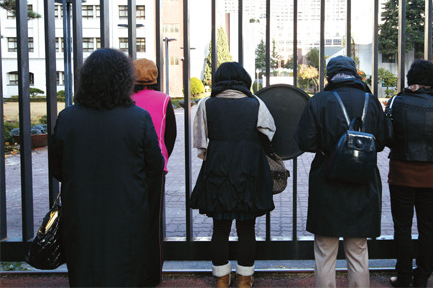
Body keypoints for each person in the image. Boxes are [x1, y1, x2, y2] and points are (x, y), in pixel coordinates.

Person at [49, 48, 164, 287]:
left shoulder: (67, 117)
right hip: (127, 211)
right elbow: (154, 166)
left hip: (80, 211)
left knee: (83, 273)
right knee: (126, 273)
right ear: (124, 80)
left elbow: (57, 168)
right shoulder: (139, 118)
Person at [295, 55, 388, 288]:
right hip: (363, 179)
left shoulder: (320, 100)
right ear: (355, 73)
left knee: (325, 249)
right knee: (358, 249)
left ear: (329, 76)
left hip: (327, 179)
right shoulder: (371, 100)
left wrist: (329, 146)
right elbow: (383, 140)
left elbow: (304, 141)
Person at [190, 62, 275, 288]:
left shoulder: (206, 104)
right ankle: (245, 278)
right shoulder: (256, 103)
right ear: (244, 79)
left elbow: (199, 141)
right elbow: (269, 132)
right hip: (249, 170)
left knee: (220, 226)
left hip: (218, 169)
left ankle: (221, 278)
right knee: (247, 227)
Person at [384, 60, 433, 287]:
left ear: (411, 79)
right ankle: (422, 277)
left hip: (401, 170)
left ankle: (402, 277)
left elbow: (387, 137)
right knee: (427, 225)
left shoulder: (397, 102)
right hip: (432, 173)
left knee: (402, 226)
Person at [132, 58, 177, 286]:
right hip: (155, 167)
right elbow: (171, 135)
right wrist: (164, 157)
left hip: (128, 167)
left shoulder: (124, 100)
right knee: (153, 222)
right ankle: (152, 275)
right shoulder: (164, 100)